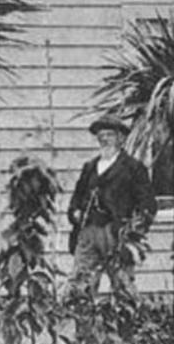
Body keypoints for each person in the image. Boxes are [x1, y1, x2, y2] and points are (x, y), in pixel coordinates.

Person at [66, 115, 157, 307]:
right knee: (80, 284)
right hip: (89, 232)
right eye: (101, 135)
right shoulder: (90, 168)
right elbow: (77, 198)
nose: (105, 139)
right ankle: (83, 325)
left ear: (120, 138)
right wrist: (75, 212)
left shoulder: (133, 168)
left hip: (116, 233)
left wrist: (132, 233)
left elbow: (148, 206)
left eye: (109, 135)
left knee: (122, 286)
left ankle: (127, 324)